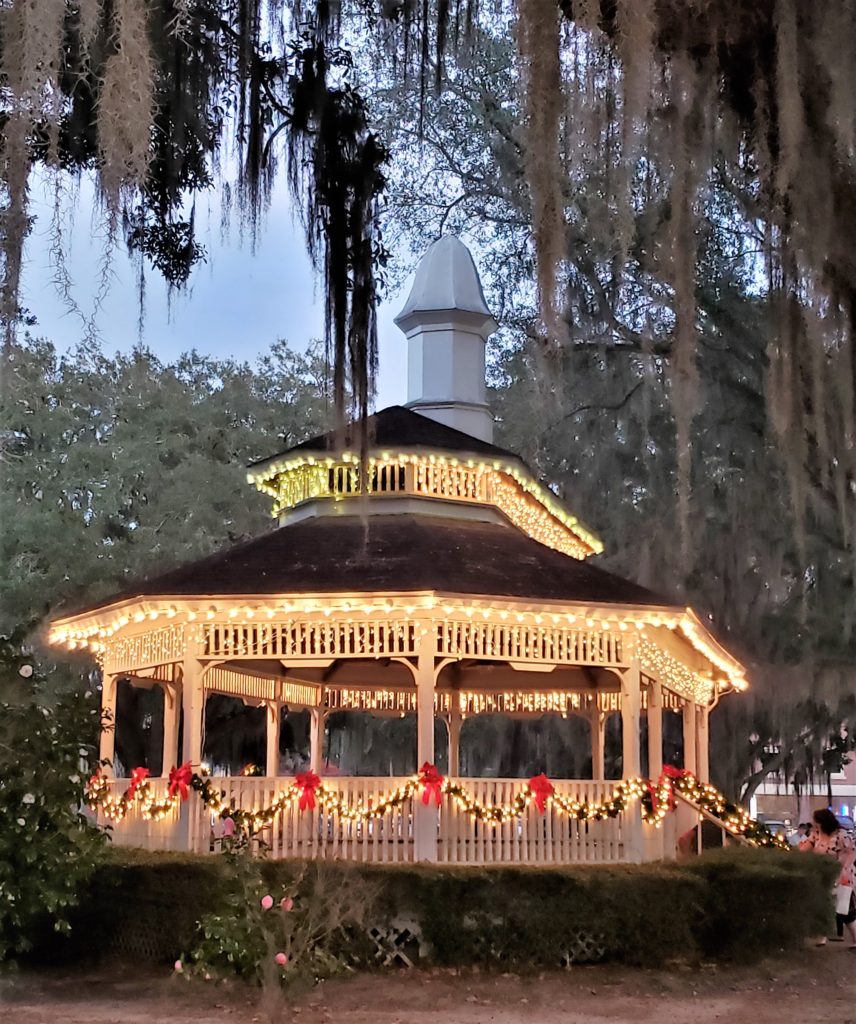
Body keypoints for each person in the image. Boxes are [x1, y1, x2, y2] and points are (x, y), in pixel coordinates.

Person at [800, 808, 856, 948]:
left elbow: (851, 853)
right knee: (822, 905)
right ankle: (821, 936)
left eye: (816, 822)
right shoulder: (816, 834)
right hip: (821, 875)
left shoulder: (841, 835)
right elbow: (805, 847)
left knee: (845, 909)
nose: (814, 824)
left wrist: (841, 869)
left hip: (841, 875)